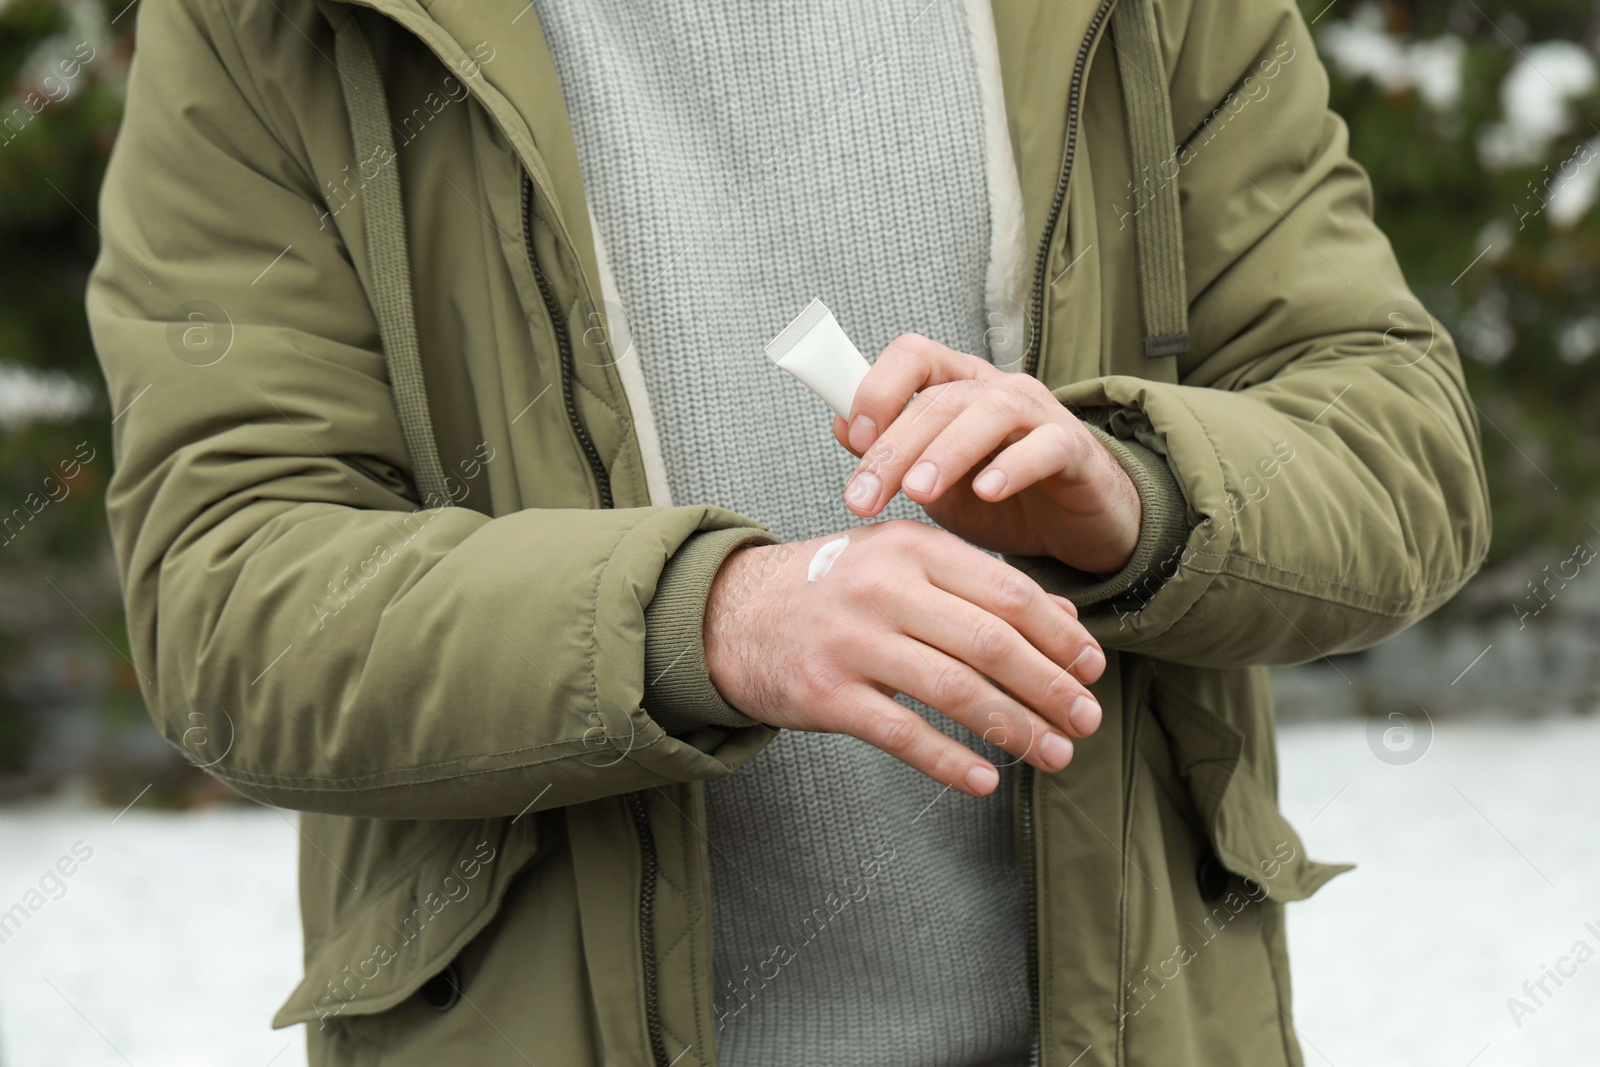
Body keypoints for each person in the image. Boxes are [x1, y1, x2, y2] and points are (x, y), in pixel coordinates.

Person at [87, 0, 1490, 1062]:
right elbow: (233, 600)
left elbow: (1401, 449)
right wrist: (707, 622)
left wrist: (1134, 492)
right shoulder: (265, 23)